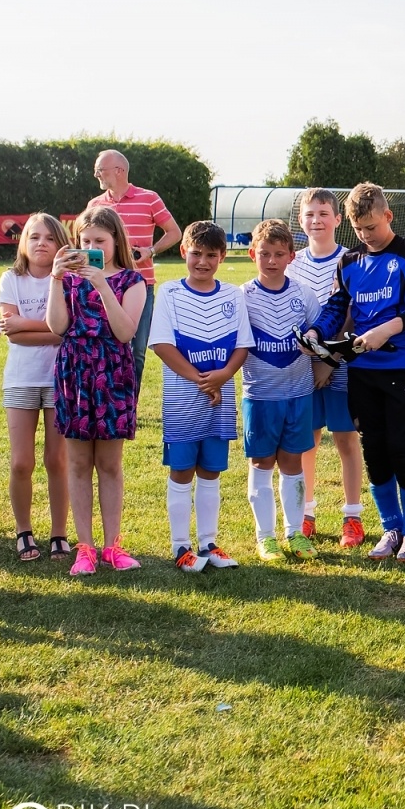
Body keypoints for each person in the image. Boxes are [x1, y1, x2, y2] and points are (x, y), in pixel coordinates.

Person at [302, 183, 405, 563]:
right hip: (361, 371)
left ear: (388, 216)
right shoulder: (348, 262)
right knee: (375, 450)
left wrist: (391, 327)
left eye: (371, 227)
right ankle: (390, 528)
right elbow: (336, 307)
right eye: (359, 229)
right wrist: (316, 332)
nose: (366, 236)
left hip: (404, 366)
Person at [45, 205, 147, 576]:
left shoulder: (132, 282)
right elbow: (57, 326)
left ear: (116, 241)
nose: (90, 247)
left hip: (112, 372)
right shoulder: (68, 280)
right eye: (85, 241)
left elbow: (124, 332)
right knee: (76, 463)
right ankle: (84, 548)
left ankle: (112, 546)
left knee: (108, 464)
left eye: (99, 242)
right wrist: (55, 280)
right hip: (75, 371)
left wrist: (102, 283)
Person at [150, 221, 252, 572]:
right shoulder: (169, 293)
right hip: (184, 401)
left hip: (219, 402)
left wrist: (224, 375)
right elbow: (161, 344)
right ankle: (181, 547)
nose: (203, 262)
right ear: (184, 252)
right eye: (196, 253)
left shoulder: (232, 295)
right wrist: (199, 379)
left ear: (223, 256)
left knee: (211, 471)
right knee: (182, 471)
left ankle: (208, 542)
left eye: (211, 255)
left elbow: (242, 345)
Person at [284, 188, 367, 547]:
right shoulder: (293, 262)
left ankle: (352, 515)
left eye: (323, 213)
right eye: (309, 214)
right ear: (300, 221)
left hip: (343, 365)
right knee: (308, 441)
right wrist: (311, 360)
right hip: (303, 368)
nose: (316, 220)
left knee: (347, 440)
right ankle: (307, 512)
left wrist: (329, 363)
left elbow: (350, 313)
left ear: (337, 219)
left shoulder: (351, 259)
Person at [241, 220, 321, 562]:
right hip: (259, 396)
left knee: (293, 463)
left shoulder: (303, 294)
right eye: (264, 254)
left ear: (291, 255)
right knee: (262, 462)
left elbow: (319, 332)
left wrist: (318, 355)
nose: (271, 260)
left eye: (278, 254)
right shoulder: (242, 296)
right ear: (252, 255)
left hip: (298, 394)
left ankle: (295, 533)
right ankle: (266, 537)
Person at [0, 214, 71, 561]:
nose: (41, 243)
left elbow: (67, 331)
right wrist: (52, 329)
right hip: (21, 379)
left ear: (61, 244)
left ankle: (59, 533)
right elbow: (10, 331)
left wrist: (32, 328)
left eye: (49, 238)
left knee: (57, 460)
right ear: (23, 243)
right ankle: (24, 531)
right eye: (33, 237)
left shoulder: (68, 280)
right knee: (21, 463)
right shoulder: (11, 278)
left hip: (61, 379)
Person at [89, 149, 182, 386]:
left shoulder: (149, 198)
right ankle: (106, 394)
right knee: (103, 343)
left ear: (119, 171)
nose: (96, 174)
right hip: (104, 285)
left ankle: (130, 402)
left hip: (141, 284)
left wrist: (150, 251)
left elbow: (174, 233)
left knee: (137, 349)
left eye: (100, 169)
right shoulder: (95, 205)